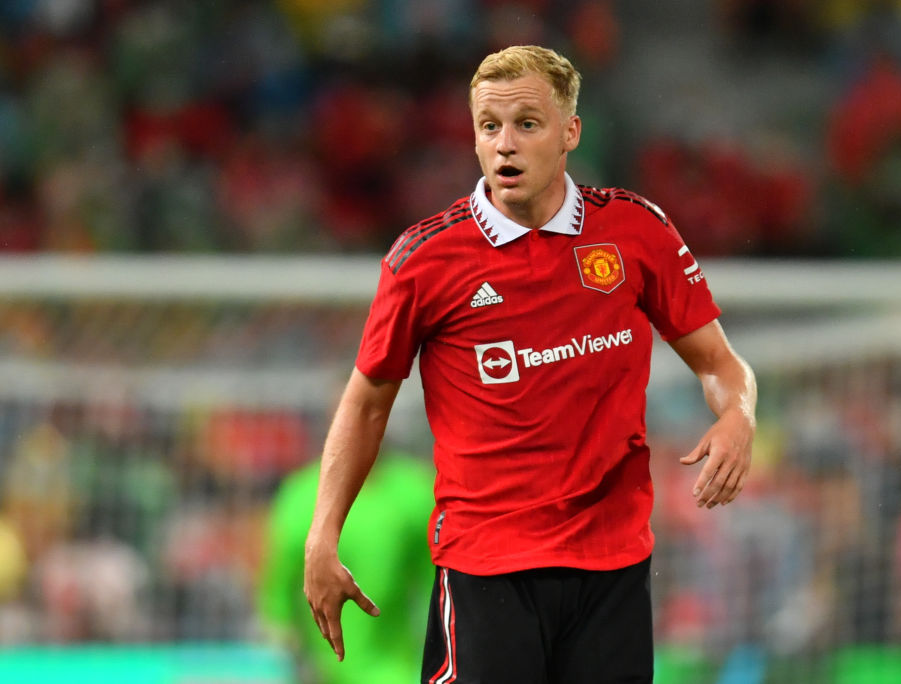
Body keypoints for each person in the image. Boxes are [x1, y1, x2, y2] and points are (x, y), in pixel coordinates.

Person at [304, 45, 757, 684]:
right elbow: (366, 401)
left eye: (527, 124)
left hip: (614, 566)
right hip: (487, 568)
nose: (505, 145)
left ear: (570, 131)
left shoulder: (635, 232)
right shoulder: (425, 260)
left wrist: (738, 415)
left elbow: (720, 363)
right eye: (489, 127)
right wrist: (323, 535)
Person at [260, 451, 434, 683]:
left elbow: (434, 586)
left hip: (393, 671)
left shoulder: (413, 494)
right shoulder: (300, 497)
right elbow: (278, 593)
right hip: (327, 671)